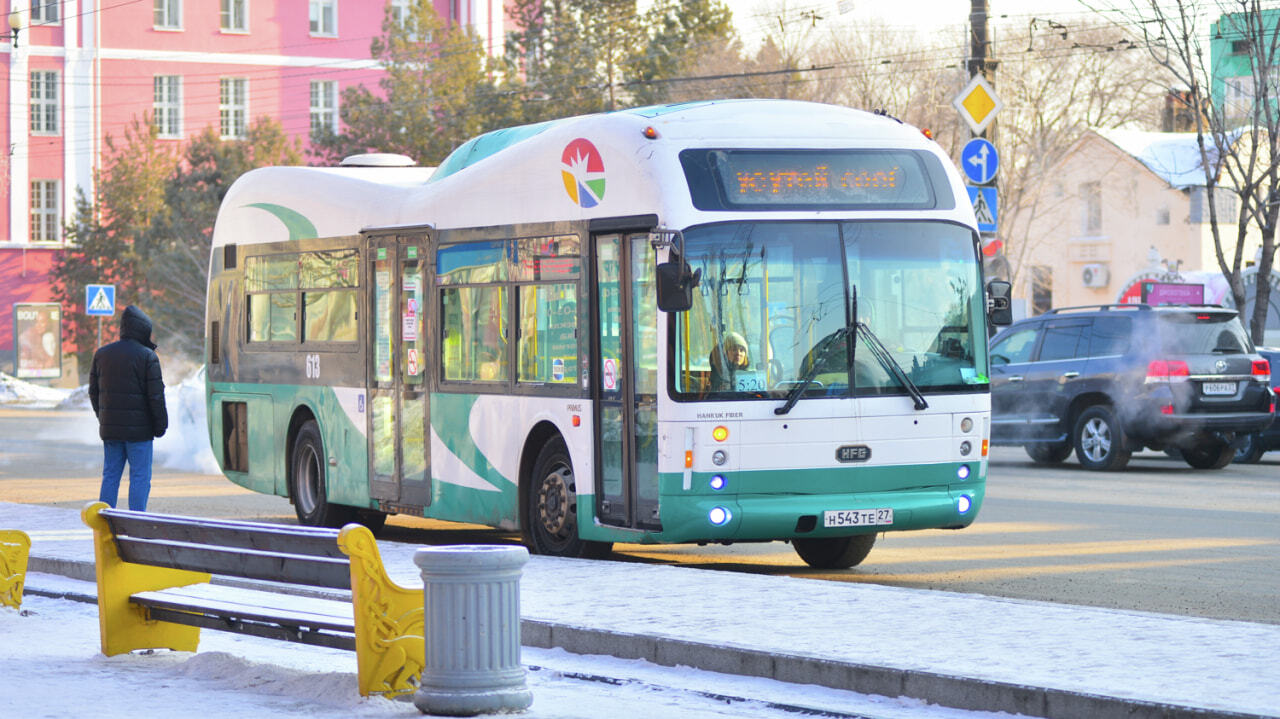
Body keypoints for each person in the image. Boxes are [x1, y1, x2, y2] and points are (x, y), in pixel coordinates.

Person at [89, 305, 168, 512]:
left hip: (111, 431)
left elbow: (93, 392)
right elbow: (156, 396)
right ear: (142, 330)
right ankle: (137, 521)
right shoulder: (147, 357)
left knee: (111, 476)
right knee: (140, 477)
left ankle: (104, 521)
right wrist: (160, 426)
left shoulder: (102, 354)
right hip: (140, 433)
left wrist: (104, 417)